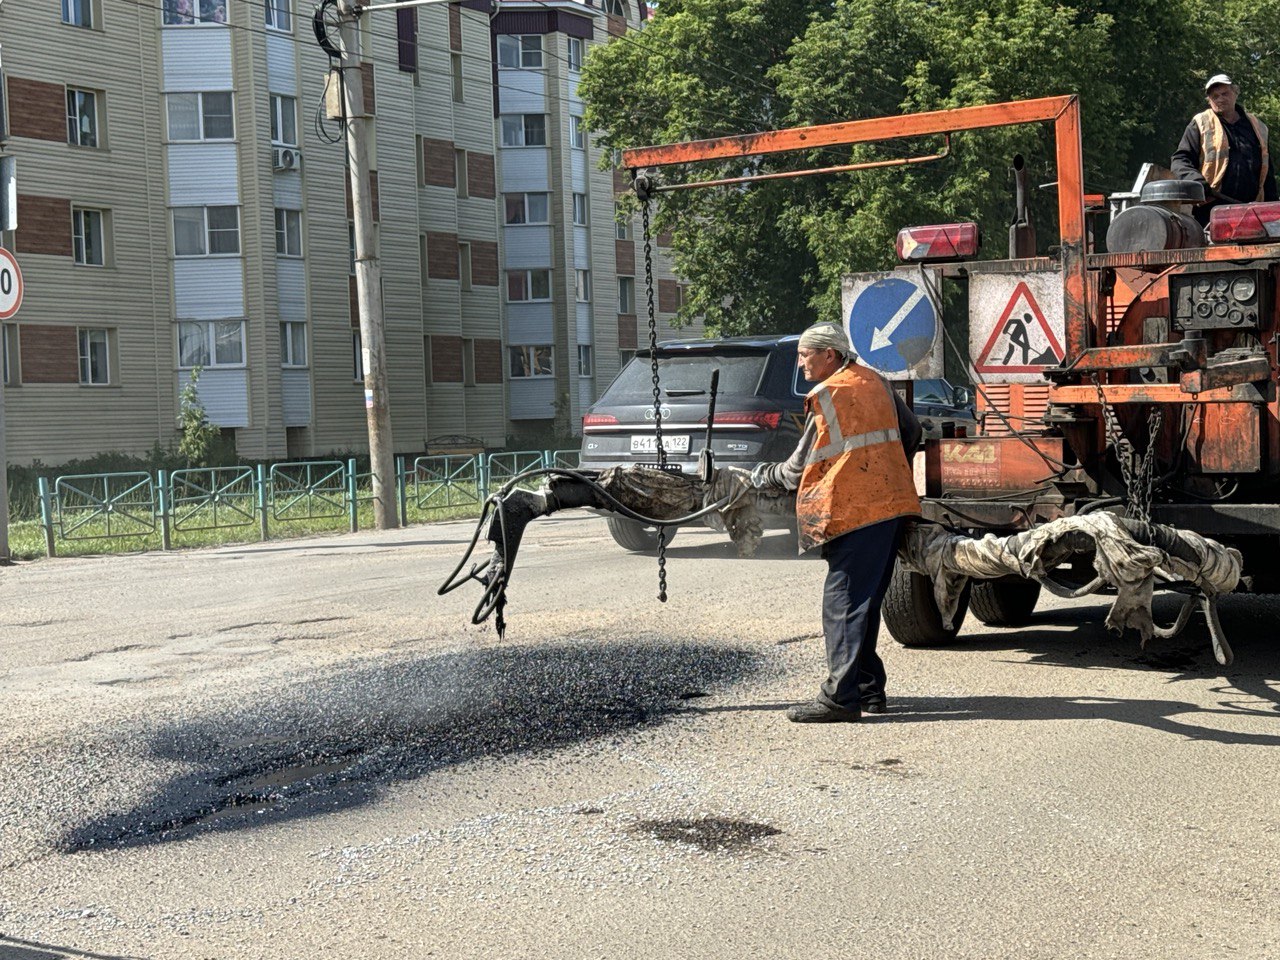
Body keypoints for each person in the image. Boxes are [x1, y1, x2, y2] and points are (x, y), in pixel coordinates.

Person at [750, 322, 922, 723]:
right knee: (865, 602)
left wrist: (762, 475)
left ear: (829, 355)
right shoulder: (876, 382)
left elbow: (795, 470)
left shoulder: (830, 393)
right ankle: (868, 690)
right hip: (889, 507)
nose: (800, 363)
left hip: (853, 510)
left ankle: (839, 699)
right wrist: (887, 470)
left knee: (842, 603)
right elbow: (912, 431)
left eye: (804, 355)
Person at [1172, 73, 1277, 225]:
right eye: (1215, 96)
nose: (1220, 99)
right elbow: (1180, 160)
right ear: (1209, 100)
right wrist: (1197, 182)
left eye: (1224, 93)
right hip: (1211, 210)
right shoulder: (1201, 123)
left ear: (1235, 93)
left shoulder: (1257, 126)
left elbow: (1267, 172)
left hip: (1252, 211)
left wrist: (1272, 209)